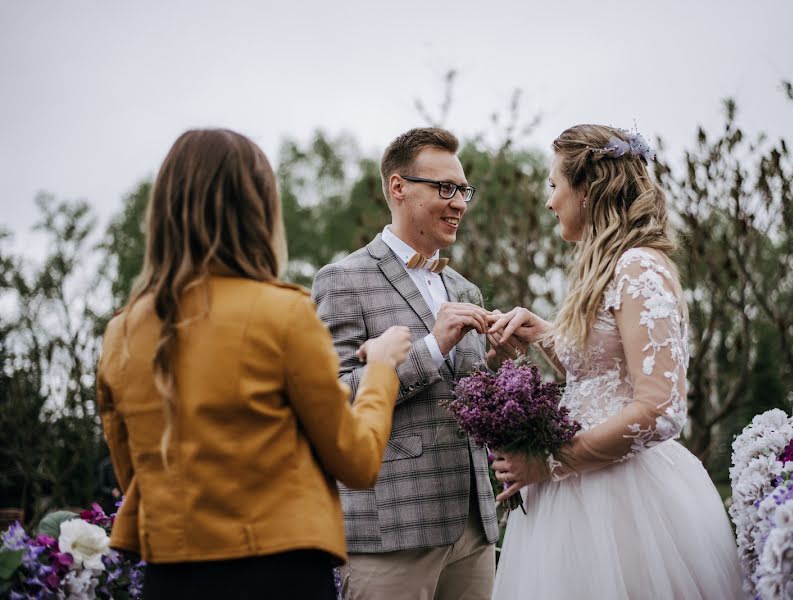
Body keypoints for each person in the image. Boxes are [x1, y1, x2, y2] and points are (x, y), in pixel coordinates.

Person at [96, 128, 412, 600]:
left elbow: (134, 477)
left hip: (171, 579)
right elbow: (357, 461)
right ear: (259, 210)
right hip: (277, 576)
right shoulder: (283, 313)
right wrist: (381, 370)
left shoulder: (121, 331)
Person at [488, 124, 743, 599]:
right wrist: (544, 333)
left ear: (586, 190)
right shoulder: (605, 267)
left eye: (553, 186)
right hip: (571, 498)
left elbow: (660, 409)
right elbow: (604, 373)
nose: (550, 202)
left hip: (625, 500)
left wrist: (548, 460)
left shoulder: (639, 267)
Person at [312, 127, 501, 600]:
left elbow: (466, 401)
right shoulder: (342, 280)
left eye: (463, 190)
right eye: (444, 188)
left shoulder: (465, 290)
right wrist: (432, 347)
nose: (459, 202)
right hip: (391, 532)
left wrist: (501, 369)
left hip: (474, 530)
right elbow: (334, 397)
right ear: (398, 187)